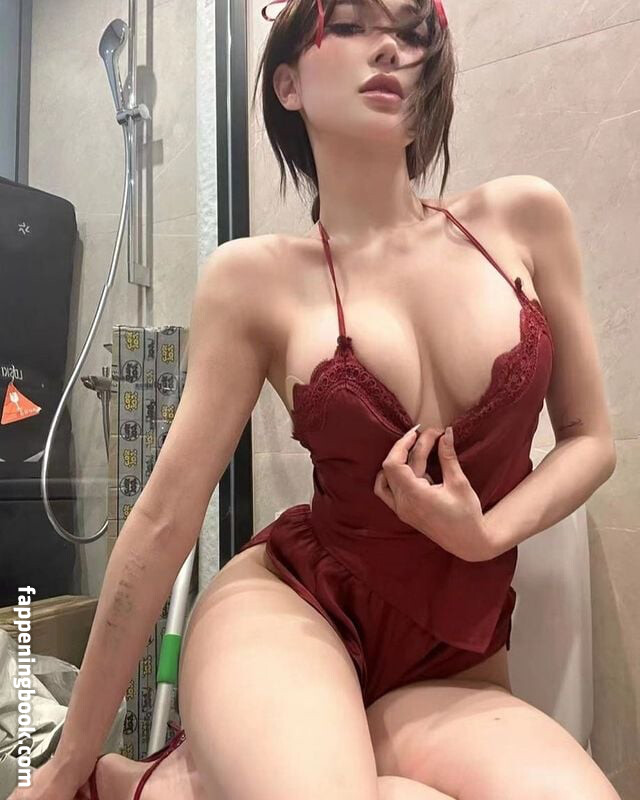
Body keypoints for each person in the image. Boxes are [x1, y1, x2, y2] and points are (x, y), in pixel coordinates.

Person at [9, 1, 620, 798]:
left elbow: (590, 437)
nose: (390, 48)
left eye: (411, 31)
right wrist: (65, 761)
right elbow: (162, 521)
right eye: (355, 23)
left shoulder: (524, 220)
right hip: (295, 612)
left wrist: (486, 535)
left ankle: (160, 786)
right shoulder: (255, 280)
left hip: (455, 660)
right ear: (288, 83)